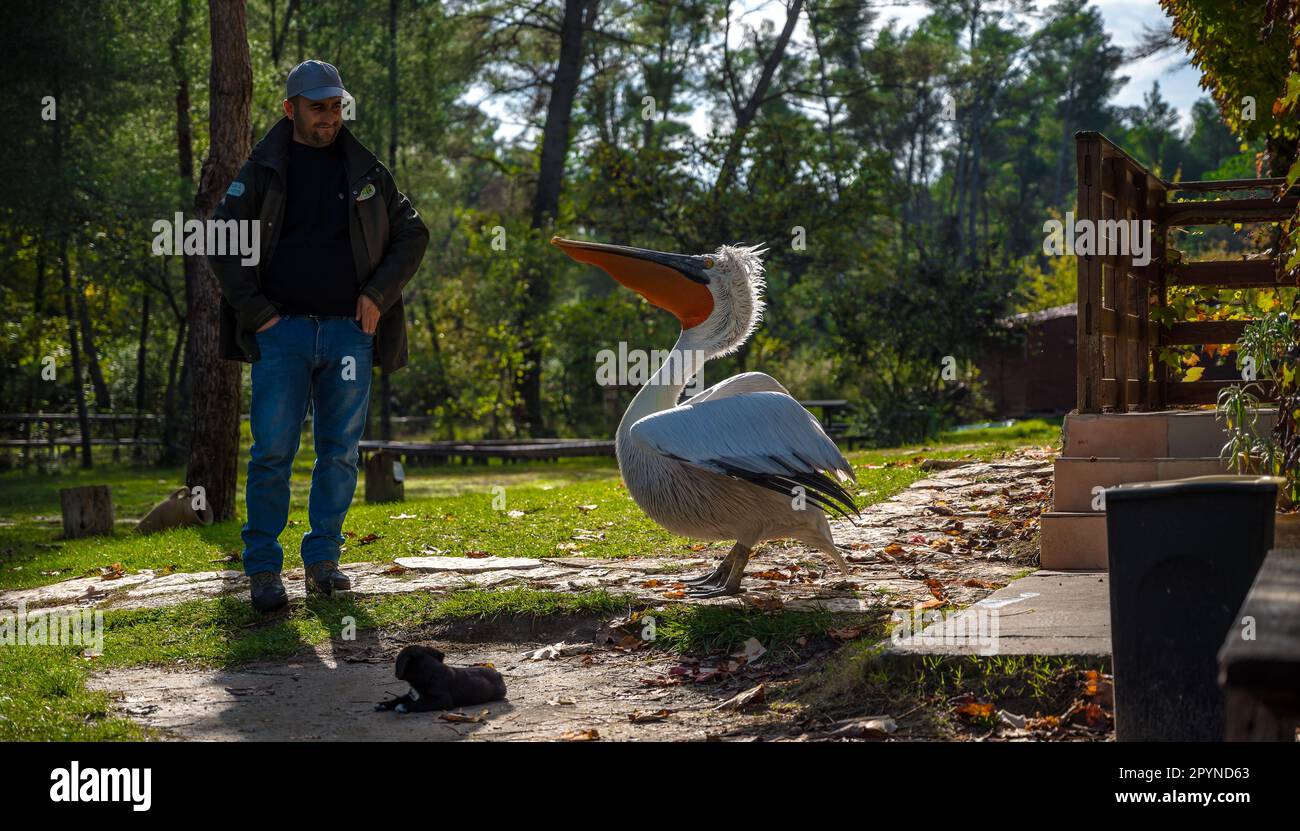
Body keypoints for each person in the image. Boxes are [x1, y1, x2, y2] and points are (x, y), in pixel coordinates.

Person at [208, 60, 429, 612]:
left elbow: (413, 233)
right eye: (317, 106)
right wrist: (257, 313)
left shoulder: (365, 169)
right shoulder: (261, 169)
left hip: (349, 335)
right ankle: (263, 570)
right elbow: (219, 237)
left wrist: (377, 295)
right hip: (280, 335)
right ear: (291, 109)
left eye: (335, 106)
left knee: (339, 454)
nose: (329, 116)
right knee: (272, 453)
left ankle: (324, 561)